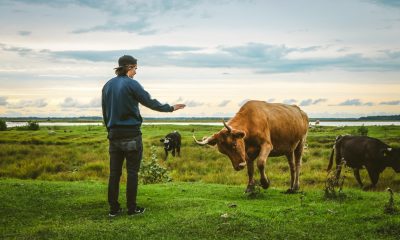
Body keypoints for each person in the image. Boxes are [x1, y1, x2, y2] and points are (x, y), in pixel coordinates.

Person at [102, 55, 185, 217]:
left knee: (114, 174)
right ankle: (132, 209)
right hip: (131, 135)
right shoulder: (132, 84)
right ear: (129, 67)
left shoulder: (107, 86)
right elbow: (150, 102)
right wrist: (171, 108)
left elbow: (105, 112)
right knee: (132, 172)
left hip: (113, 135)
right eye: (135, 69)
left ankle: (114, 209)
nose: (136, 72)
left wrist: (110, 131)